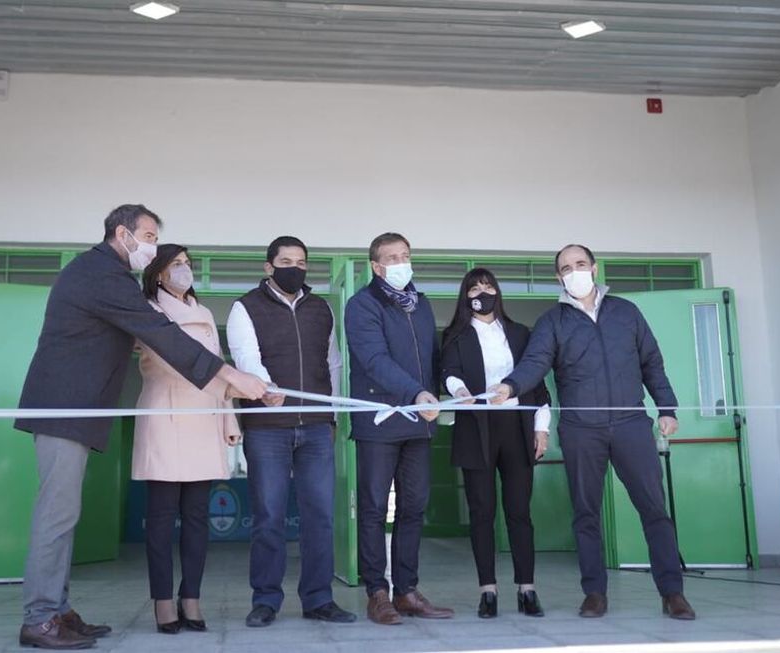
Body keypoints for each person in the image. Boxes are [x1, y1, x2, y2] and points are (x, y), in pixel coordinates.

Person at [14, 205, 267, 650]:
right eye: (148, 235)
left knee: (65, 514)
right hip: (64, 407)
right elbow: (161, 334)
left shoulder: (105, 274)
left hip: (79, 409)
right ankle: (39, 618)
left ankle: (57, 608)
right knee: (56, 514)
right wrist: (232, 377)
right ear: (122, 233)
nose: (152, 245)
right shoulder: (101, 275)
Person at [492, 244, 696, 620]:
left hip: (631, 424)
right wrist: (510, 386)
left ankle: (673, 593)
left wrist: (666, 408)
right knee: (586, 513)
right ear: (558, 277)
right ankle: (595, 593)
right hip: (581, 429)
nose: (574, 271)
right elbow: (535, 362)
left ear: (594, 267)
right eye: (566, 267)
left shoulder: (626, 313)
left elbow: (652, 362)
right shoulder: (552, 321)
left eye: (580, 264)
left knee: (653, 509)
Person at [226, 236, 357, 628]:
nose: (294, 268)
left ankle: (319, 599)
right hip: (267, 427)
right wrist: (266, 389)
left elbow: (332, 365)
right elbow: (246, 358)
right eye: (286, 261)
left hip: (316, 427)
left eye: (301, 262)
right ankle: (265, 600)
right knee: (269, 516)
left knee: (320, 516)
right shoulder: (244, 308)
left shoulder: (321, 310)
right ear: (269, 267)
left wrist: (330, 416)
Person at [131, 244, 242, 635]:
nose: (184, 270)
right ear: (158, 272)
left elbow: (221, 367)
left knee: (197, 517)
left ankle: (190, 596)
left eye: (187, 264)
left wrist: (230, 419)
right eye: (175, 264)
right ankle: (163, 601)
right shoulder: (146, 310)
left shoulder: (206, 313)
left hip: (205, 415)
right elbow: (172, 361)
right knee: (161, 518)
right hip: (166, 414)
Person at [344, 232, 454, 625]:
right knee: (374, 509)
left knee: (414, 507)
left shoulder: (420, 305)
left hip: (419, 423)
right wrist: (417, 393)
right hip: (379, 422)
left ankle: (406, 590)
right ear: (376, 266)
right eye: (391, 257)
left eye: (405, 255)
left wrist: (447, 388)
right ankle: (377, 592)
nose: (399, 262)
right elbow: (373, 358)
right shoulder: (362, 305)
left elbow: (432, 356)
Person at [441, 268, 552, 619]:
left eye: (488, 286)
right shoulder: (455, 336)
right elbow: (448, 373)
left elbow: (537, 384)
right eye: (474, 288)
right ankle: (487, 590)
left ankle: (527, 588)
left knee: (519, 512)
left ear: (497, 292)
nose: (482, 292)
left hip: (517, 428)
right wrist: (458, 390)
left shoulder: (520, 334)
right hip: (477, 426)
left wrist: (542, 428)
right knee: (481, 512)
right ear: (465, 296)